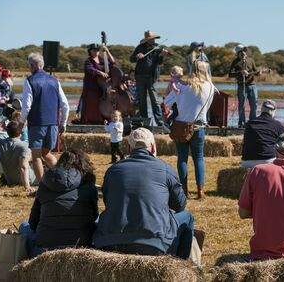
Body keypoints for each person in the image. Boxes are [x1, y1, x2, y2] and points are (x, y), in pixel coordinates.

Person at [93, 127, 194, 259]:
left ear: (129, 149)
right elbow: (180, 205)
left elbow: (108, 201)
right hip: (155, 244)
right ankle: (181, 266)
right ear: (153, 148)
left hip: (110, 242)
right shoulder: (165, 169)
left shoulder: (113, 170)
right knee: (187, 217)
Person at [20, 149, 98, 258]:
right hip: (81, 246)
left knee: (23, 226)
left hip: (45, 247)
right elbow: (94, 216)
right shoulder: (89, 186)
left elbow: (33, 223)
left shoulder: (45, 183)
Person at [164, 60, 215, 199]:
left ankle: (184, 190)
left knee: (182, 159)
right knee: (199, 158)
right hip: (198, 126)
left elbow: (166, 103)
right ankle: (200, 190)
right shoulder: (210, 87)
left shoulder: (181, 86)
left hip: (181, 126)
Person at [17, 53, 69, 183]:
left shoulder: (29, 81)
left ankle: (42, 188)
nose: (29, 68)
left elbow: (26, 107)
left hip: (37, 124)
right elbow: (65, 105)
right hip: (53, 124)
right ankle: (63, 179)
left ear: (33, 65)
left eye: (29, 65)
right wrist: (63, 123)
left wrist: (20, 123)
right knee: (46, 153)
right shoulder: (55, 81)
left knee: (36, 157)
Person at [129, 30, 169, 126]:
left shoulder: (158, 47)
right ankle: (144, 121)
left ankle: (159, 122)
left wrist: (162, 55)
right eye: (151, 39)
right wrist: (137, 56)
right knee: (142, 100)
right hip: (139, 76)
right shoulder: (140, 47)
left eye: (153, 38)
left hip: (152, 77)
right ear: (147, 40)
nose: (153, 40)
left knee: (154, 100)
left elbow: (159, 62)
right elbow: (131, 59)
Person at [241, 99, 284, 168]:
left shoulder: (250, 123)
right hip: (268, 161)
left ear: (261, 109)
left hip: (246, 161)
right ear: (274, 112)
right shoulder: (277, 125)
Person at [81, 43, 116, 124]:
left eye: (97, 50)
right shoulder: (88, 61)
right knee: (93, 103)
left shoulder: (102, 59)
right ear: (90, 51)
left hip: (102, 86)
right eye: (94, 50)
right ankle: (93, 120)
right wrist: (99, 72)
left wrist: (107, 51)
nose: (96, 52)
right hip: (91, 86)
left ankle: (105, 118)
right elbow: (89, 69)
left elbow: (113, 62)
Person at [0, 121, 35, 192]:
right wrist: (27, 186)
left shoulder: (0, 143)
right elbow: (23, 167)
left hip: (10, 180)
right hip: (27, 179)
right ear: (20, 131)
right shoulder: (24, 145)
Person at [229, 44, 259, 128]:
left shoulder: (251, 60)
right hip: (241, 86)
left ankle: (252, 122)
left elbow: (255, 71)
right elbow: (230, 74)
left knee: (254, 104)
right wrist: (240, 72)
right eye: (241, 51)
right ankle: (241, 123)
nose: (243, 53)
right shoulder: (235, 61)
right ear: (238, 53)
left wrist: (258, 73)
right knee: (241, 105)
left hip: (252, 85)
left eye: (244, 51)